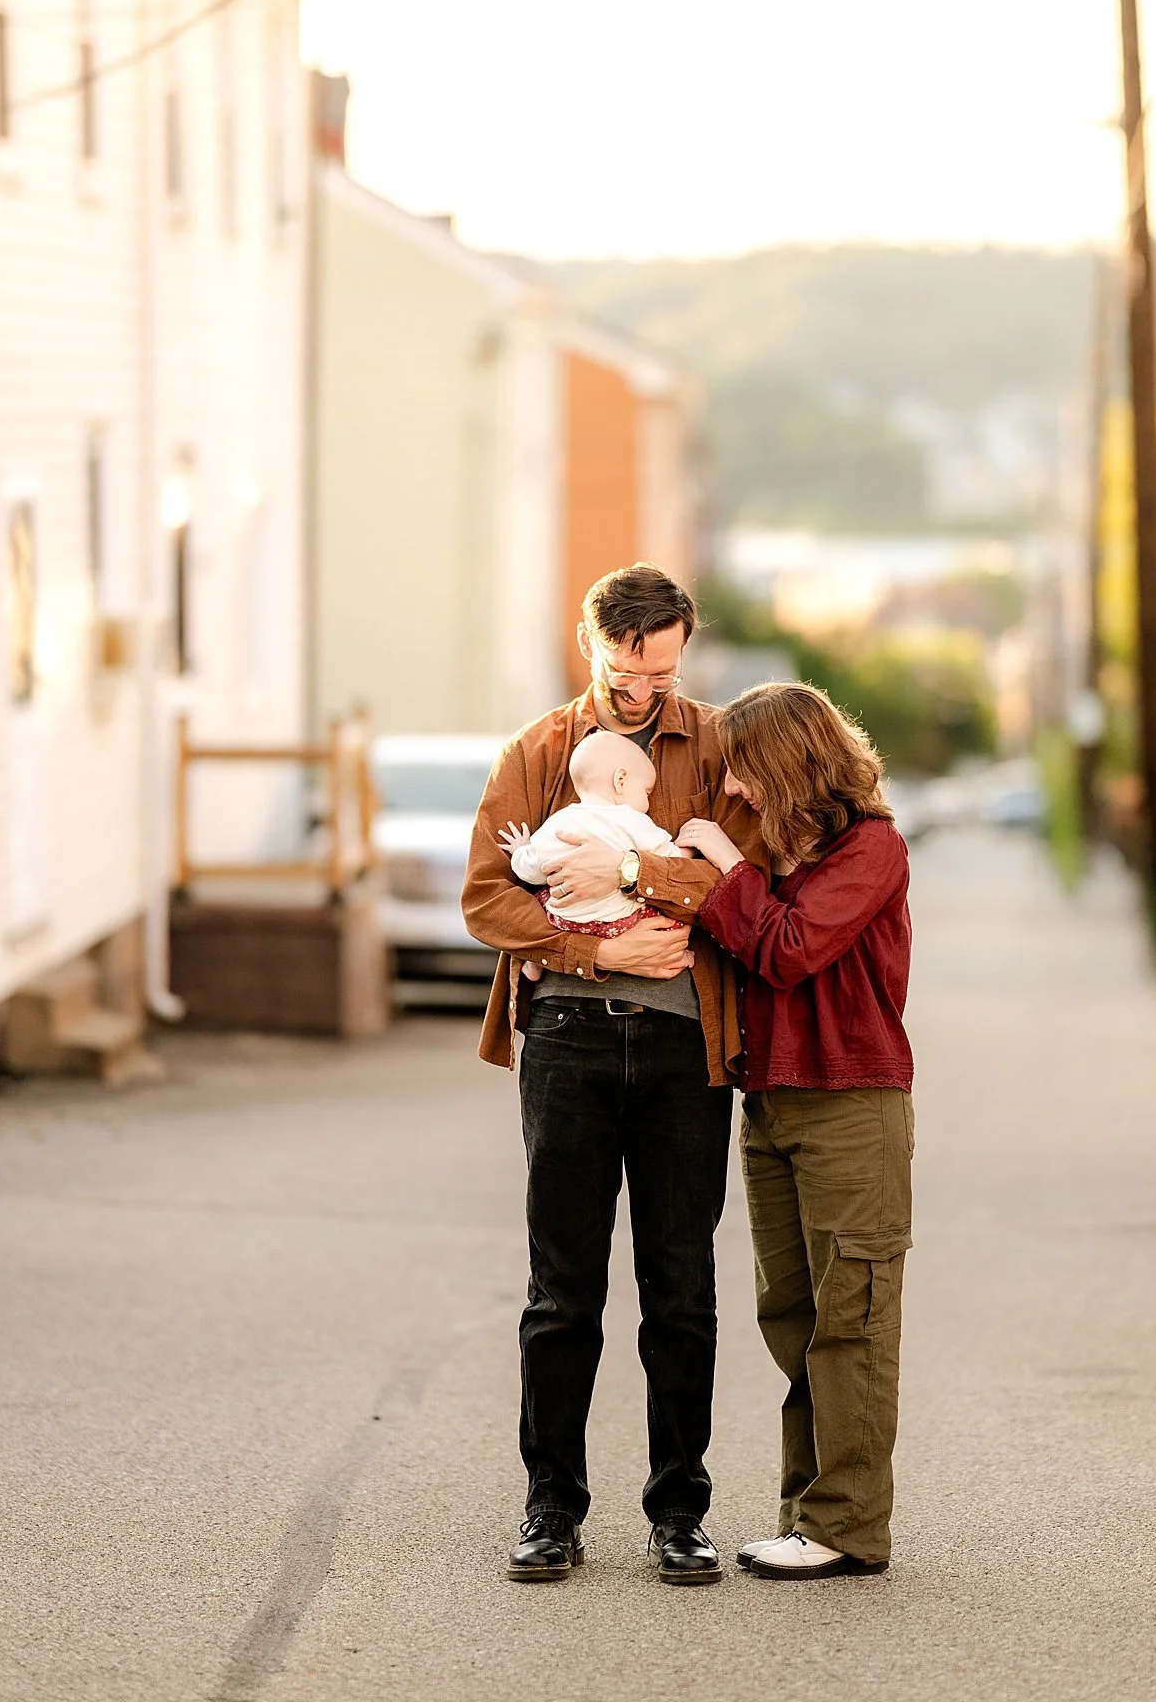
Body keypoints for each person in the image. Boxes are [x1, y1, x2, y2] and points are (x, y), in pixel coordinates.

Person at [461, 563, 764, 1586]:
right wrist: (599, 948)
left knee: (683, 1290)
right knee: (563, 1290)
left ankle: (681, 1510)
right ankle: (552, 1507)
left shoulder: (720, 742)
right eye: (630, 669)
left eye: (666, 668)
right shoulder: (537, 752)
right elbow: (485, 900)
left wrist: (638, 877)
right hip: (568, 1045)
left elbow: (741, 882)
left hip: (689, 1052)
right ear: (595, 646)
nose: (647, 689)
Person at [675, 682, 914, 1581]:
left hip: (851, 1100)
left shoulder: (870, 849)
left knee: (850, 1317)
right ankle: (806, 1510)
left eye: (741, 766)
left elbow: (785, 949)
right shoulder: (775, 853)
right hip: (770, 1103)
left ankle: (848, 1526)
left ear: (784, 761)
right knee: (793, 1315)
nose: (731, 788)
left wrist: (716, 869)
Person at [500, 730, 692, 977]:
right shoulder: (632, 820)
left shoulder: (560, 822)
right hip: (621, 924)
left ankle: (535, 963)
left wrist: (521, 850)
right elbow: (671, 861)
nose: (648, 801)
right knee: (670, 919)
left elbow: (531, 871)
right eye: (646, 791)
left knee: (540, 896)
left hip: (565, 923)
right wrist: (688, 847)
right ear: (620, 780)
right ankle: (679, 957)